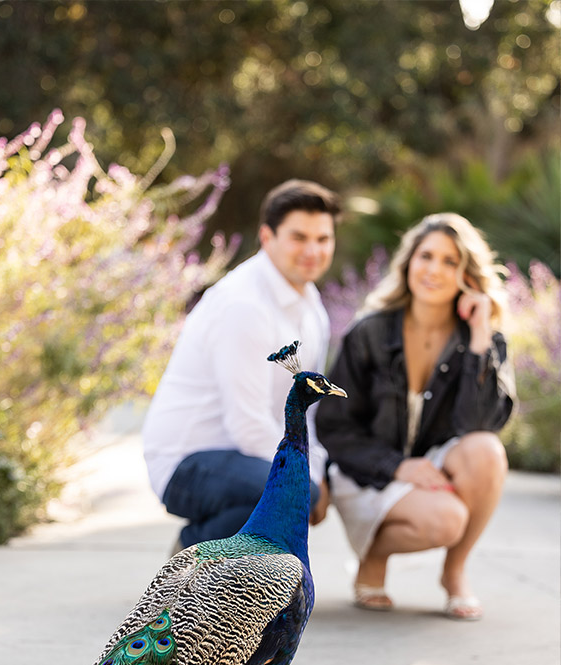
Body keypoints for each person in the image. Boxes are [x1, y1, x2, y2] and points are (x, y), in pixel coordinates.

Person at [316, 213, 516, 620]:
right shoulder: (368, 333)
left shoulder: (482, 340)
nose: (434, 270)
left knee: (488, 452)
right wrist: (397, 467)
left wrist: (479, 338)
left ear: (467, 276)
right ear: (409, 263)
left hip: (432, 466)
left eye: (450, 261)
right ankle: (374, 556)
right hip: (368, 472)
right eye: (427, 256)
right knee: (447, 521)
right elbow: (334, 426)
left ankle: (454, 572)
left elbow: (479, 424)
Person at [142, 179, 342, 550]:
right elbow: (246, 424)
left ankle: (228, 569)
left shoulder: (310, 303)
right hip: (187, 462)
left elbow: (304, 409)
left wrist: (319, 469)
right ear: (267, 237)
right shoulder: (244, 305)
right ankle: (192, 555)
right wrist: (309, 479)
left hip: (238, 460)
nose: (313, 250)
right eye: (299, 237)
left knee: (302, 488)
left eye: (323, 239)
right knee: (295, 491)